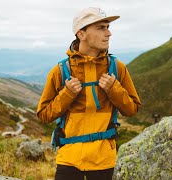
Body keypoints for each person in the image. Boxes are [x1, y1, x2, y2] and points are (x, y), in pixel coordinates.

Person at [37, 7, 142, 180]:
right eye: (101, 28)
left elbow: (132, 110)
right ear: (81, 34)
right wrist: (67, 94)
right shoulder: (61, 71)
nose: (109, 33)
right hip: (69, 159)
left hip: (104, 160)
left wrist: (113, 88)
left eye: (107, 27)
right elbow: (43, 115)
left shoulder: (117, 68)